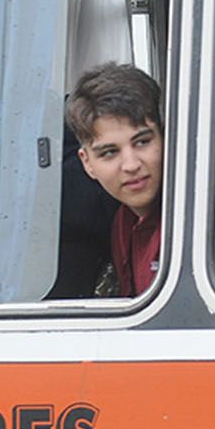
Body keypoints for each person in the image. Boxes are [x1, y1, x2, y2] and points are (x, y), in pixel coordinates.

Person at [65, 63, 164, 298]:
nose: (131, 165)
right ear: (87, 163)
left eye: (142, 142)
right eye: (109, 152)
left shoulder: (187, 222)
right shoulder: (123, 223)